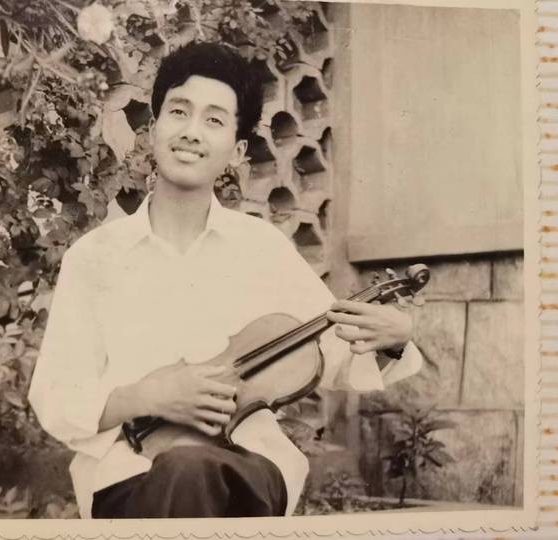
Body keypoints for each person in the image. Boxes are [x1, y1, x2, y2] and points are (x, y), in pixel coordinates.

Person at [27, 42, 422, 519]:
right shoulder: (94, 258)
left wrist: (392, 340)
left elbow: (332, 353)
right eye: (179, 112)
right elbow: (56, 395)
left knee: (193, 469)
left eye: (214, 120)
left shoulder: (263, 249)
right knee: (183, 470)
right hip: (129, 477)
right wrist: (144, 396)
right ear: (153, 129)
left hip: (246, 470)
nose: (191, 132)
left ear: (236, 152)